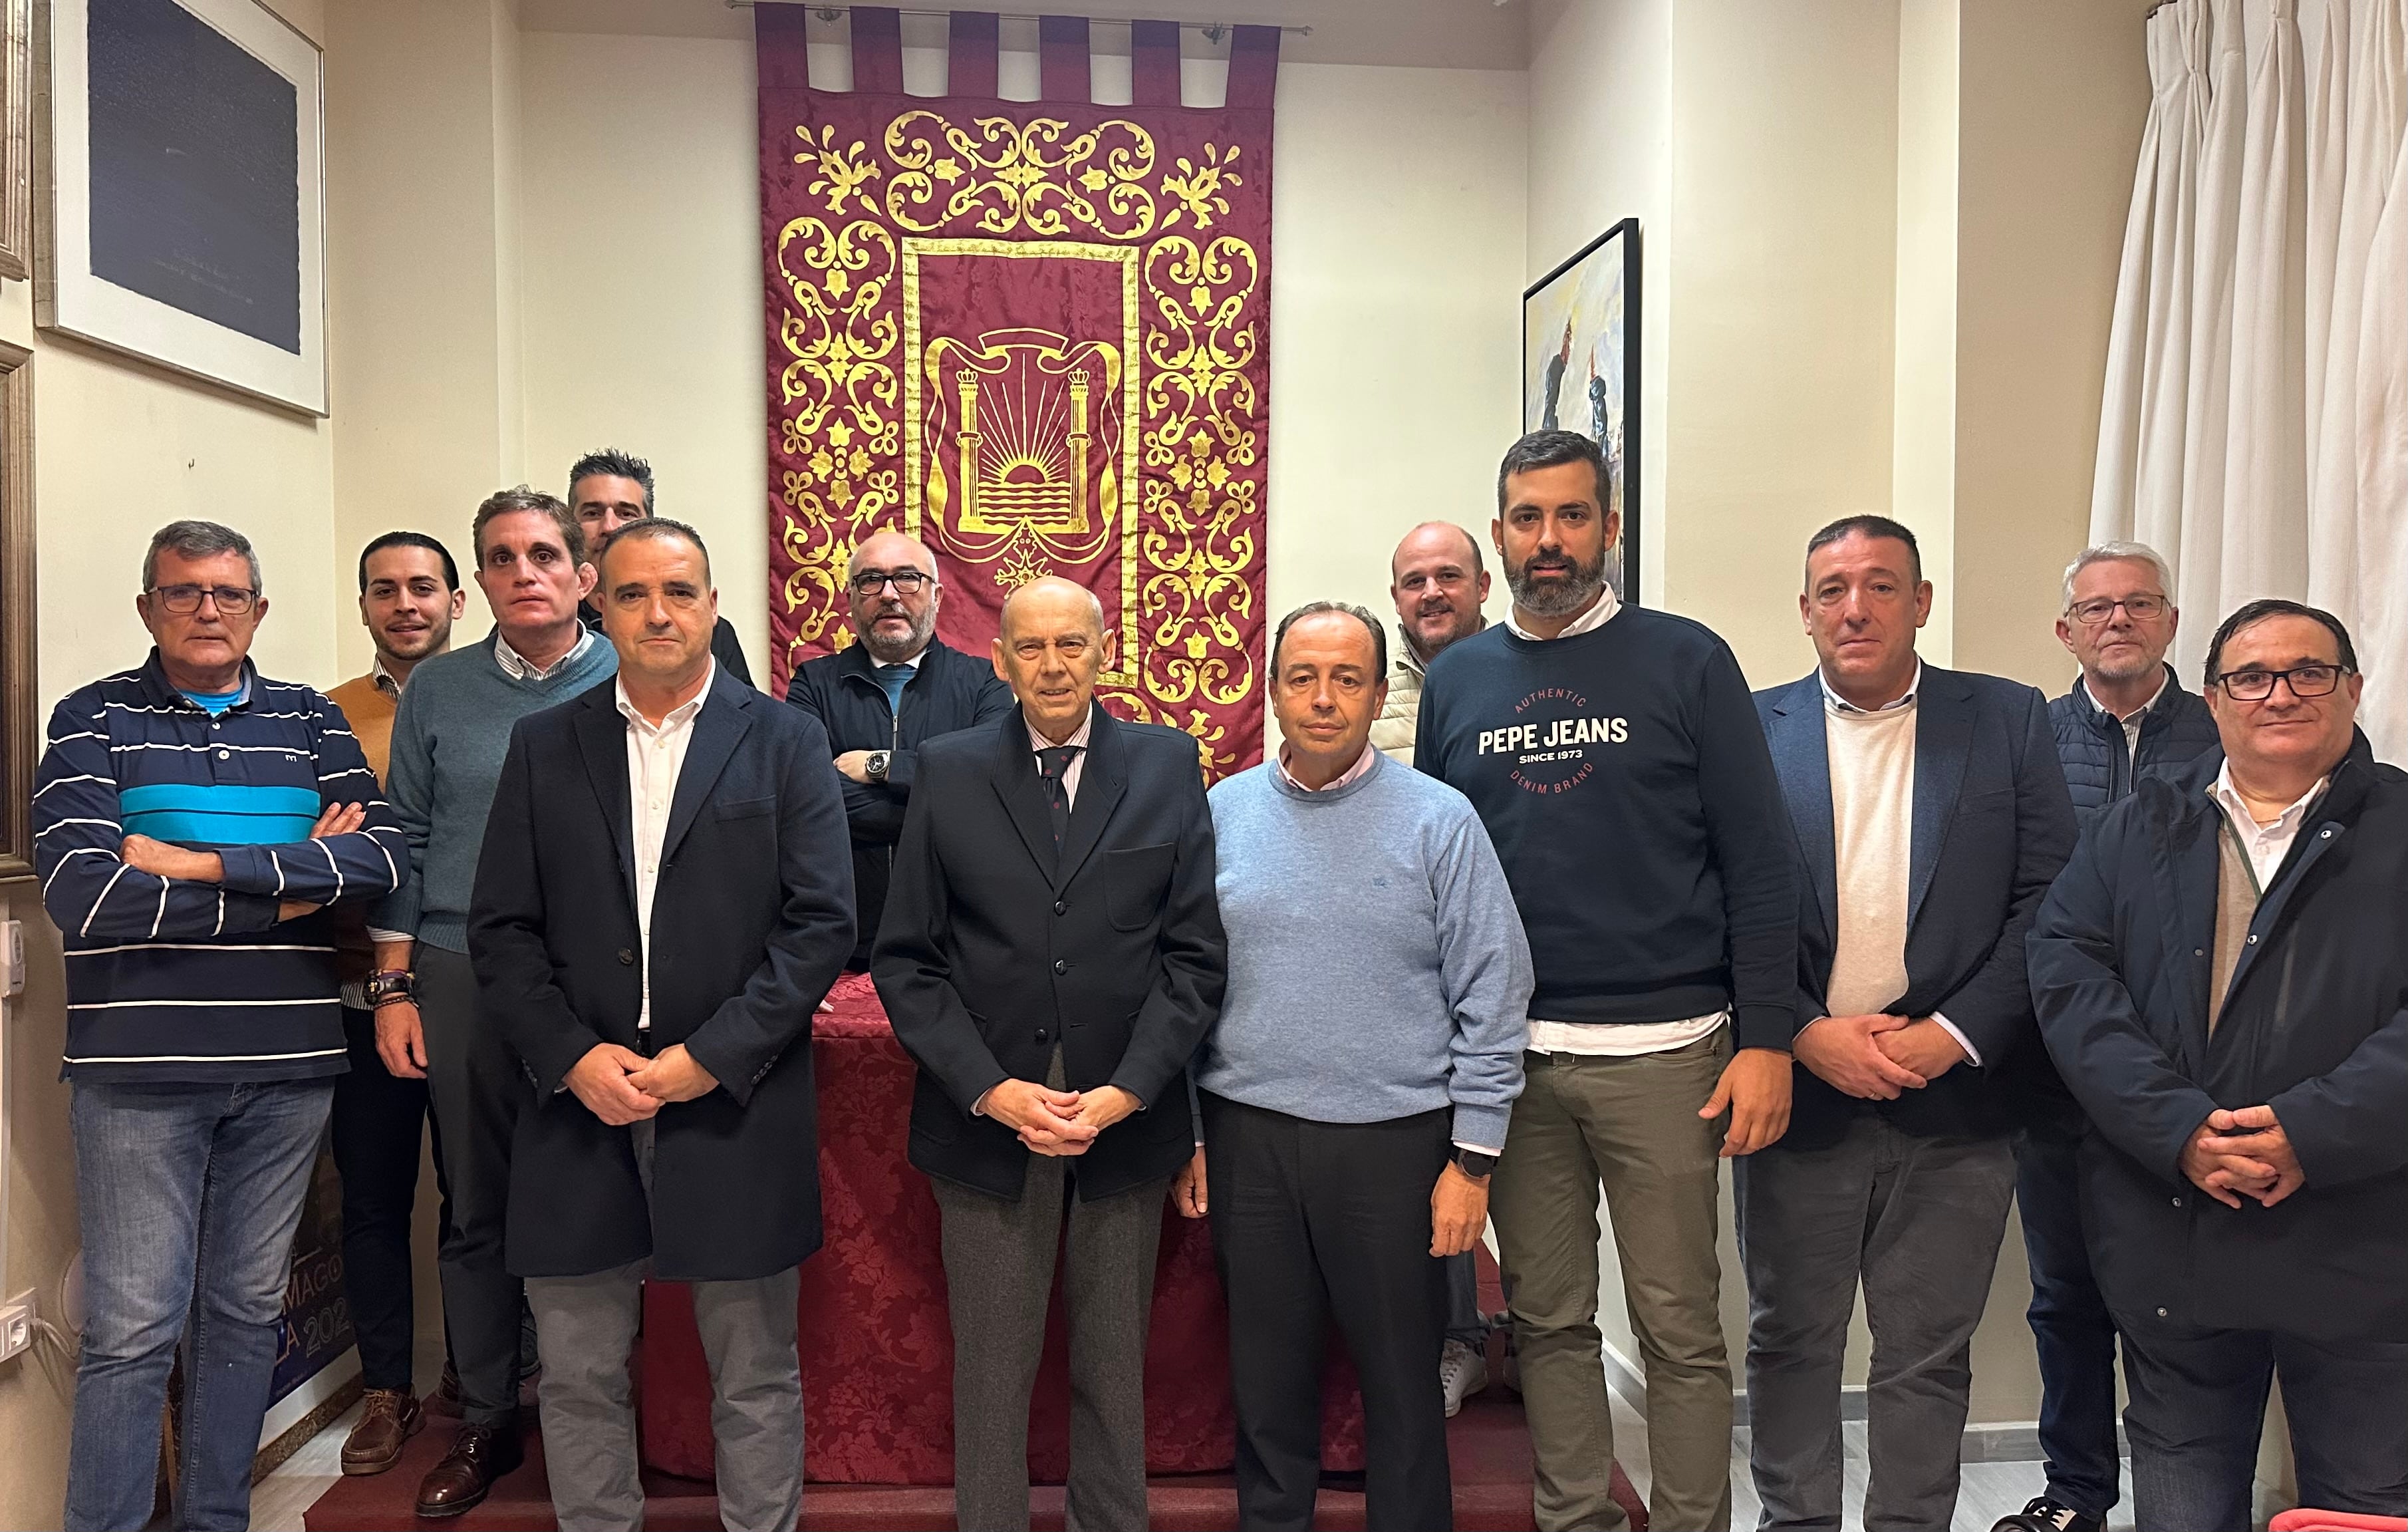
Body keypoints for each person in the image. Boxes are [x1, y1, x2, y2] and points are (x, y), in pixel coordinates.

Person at [1414, 430, 1797, 1532]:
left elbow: (1758, 857)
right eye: (1527, 518)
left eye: (1572, 516)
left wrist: (1766, 1034)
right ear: (1500, 535)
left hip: (1670, 1054)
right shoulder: (1461, 680)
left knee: (1680, 1328)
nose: (1549, 540)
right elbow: (1436, 868)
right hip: (1513, 1065)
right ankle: (1574, 1517)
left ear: (1609, 528)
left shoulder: (1687, 660)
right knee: (1548, 1323)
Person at [471, 518, 855, 1532]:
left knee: (755, 1371)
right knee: (581, 1371)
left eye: (680, 591)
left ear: (713, 605)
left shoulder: (783, 738)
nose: (658, 612)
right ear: (599, 601)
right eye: (635, 593)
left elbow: (821, 923)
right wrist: (569, 1054)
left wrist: (712, 1056)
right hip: (577, 1096)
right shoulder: (545, 743)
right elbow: (500, 928)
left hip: (732, 1095)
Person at [34, 521, 406, 1531]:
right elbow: (84, 896)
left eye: (229, 593)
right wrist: (287, 892)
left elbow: (378, 859)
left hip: (289, 1065)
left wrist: (196, 865)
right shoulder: (91, 719)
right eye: (185, 591)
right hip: (138, 1073)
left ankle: (216, 1519)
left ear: (260, 608)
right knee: (132, 1331)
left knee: (245, 1315)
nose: (208, 609)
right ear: (148, 604)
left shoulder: (308, 720)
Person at [2029, 599, 2407, 1532]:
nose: (2278, 692)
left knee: (2358, 1507)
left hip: (2364, 1242)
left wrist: (2311, 1131)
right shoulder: (2136, 825)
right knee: (2184, 1504)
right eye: (2250, 675)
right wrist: (2180, 1129)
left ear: (2353, 689)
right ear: (2212, 697)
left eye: (2307, 671)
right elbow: (2069, 973)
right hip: (2175, 1237)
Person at [1742, 516, 2075, 1532]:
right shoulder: (1752, 729)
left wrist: (1957, 1031)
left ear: (1920, 601)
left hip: (1959, 1097)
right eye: (1833, 589)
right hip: (1803, 1090)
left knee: (1928, 1350)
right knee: (1790, 1340)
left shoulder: (2010, 718)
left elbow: (2050, 896)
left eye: (1881, 585)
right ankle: (1794, 1521)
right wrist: (1802, 1030)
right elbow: (1721, 900)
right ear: (1804, 611)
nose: (1856, 607)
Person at [872, 576, 1226, 1532]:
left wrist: (1132, 1090)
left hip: (1122, 1113)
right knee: (991, 1370)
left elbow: (1193, 958)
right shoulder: (947, 768)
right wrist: (987, 1089)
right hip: (988, 1115)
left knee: (1114, 1366)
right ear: (1000, 660)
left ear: (1103, 650)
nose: (1053, 664)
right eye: (1031, 647)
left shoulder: (1164, 764)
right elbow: (906, 960)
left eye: (1072, 644)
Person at [1183, 601, 1530, 1532]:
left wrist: (1472, 1159)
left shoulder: (1438, 819)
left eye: (1347, 678)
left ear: (1380, 693)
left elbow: (1495, 990)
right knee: (1267, 1387)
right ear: (1273, 689)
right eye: (1303, 676)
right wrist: (1189, 1130)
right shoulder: (1221, 813)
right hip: (1247, 1135)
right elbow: (1181, 983)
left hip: (1395, 1145)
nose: (1324, 698)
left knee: (1403, 1393)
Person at [372, 488, 620, 1516]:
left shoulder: (634, 669)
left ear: (582, 574)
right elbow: (407, 835)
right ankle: (485, 1416)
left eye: (544, 554)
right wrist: (393, 982)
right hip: (460, 961)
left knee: (608, 1195)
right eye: (502, 559)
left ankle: (602, 1415)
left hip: (599, 971)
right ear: (481, 584)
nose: (525, 572)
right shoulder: (440, 691)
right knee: (474, 1200)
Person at [1998, 541, 2218, 1532]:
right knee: (2066, 1293)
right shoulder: (2027, 742)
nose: (2118, 620)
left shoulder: (2226, 735)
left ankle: (2196, 1499)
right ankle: (2076, 1492)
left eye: (2138, 604)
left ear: (2172, 622)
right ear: (2066, 630)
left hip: (2198, 1072)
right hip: (2056, 1072)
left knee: (2188, 1301)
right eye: (2096, 607)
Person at [324, 531, 468, 1477]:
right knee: (372, 1198)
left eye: (424, 586)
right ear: (365, 603)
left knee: (476, 1196)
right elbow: (309, 856)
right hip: (353, 994)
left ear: (459, 601)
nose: (405, 602)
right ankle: (386, 1386)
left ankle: (479, 1373)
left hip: (466, 992)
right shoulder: (319, 716)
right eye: (386, 588)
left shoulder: (497, 703)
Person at [1367, 521, 1500, 1416]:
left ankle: (1513, 1338)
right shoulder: (1373, 690)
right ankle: (1456, 1336)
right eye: (1413, 580)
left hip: (1506, 949)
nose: (1431, 593)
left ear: (1482, 583)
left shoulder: (1516, 677)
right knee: (1434, 1163)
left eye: (1447, 575)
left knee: (1510, 1172)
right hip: (1407, 962)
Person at [786, 529, 1013, 969]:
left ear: (937, 595)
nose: (889, 594)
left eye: (907, 578)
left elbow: (993, 789)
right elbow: (805, 799)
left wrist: (881, 765)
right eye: (871, 580)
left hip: (956, 943)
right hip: (841, 944)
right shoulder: (814, 684)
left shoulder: (984, 683)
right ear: (850, 597)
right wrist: (941, 808)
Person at [567, 448, 752, 685]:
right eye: (593, 513)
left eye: (626, 513)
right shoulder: (555, 626)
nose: (610, 527)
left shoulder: (706, 629)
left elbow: (744, 713)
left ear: (650, 525)